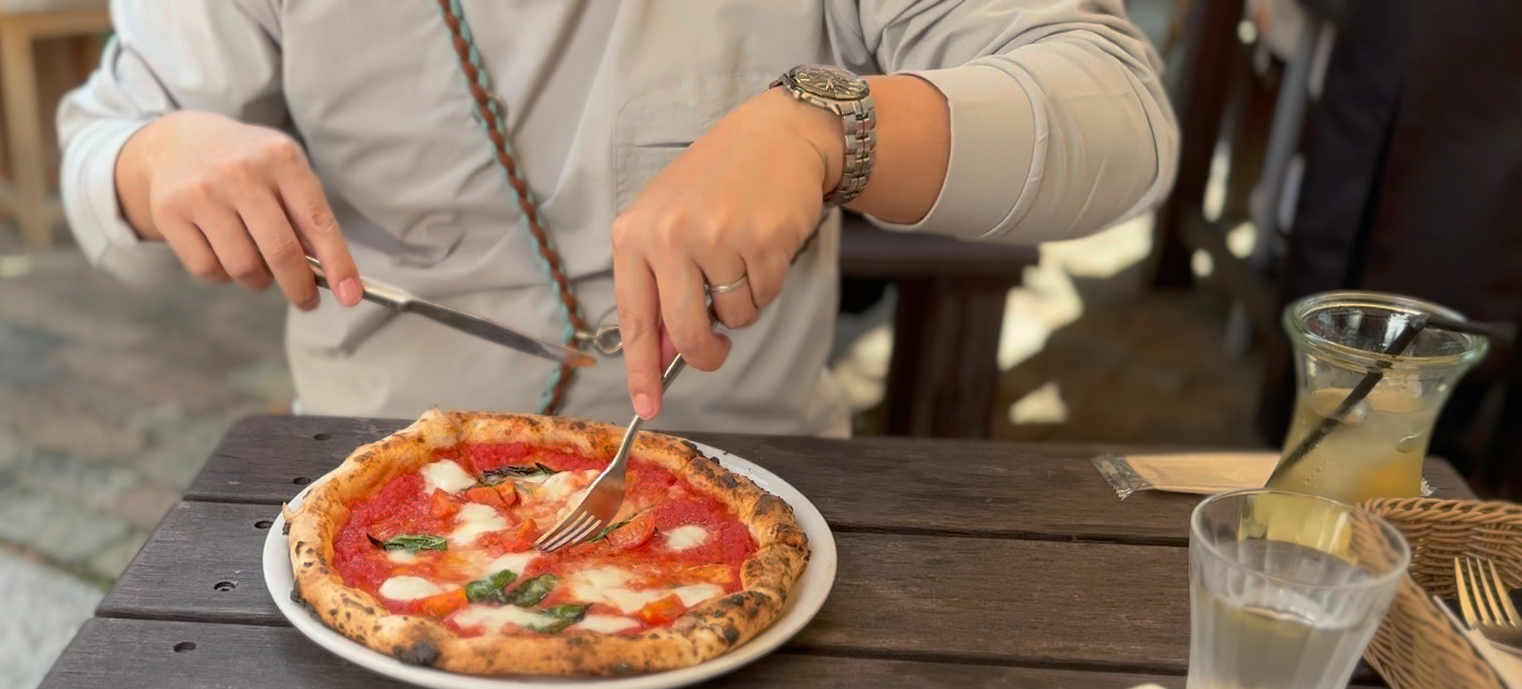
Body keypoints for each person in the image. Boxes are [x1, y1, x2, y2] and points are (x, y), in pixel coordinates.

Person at [58, 0, 1176, 436]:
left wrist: (828, 125)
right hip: (379, 478)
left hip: (747, 477)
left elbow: (1120, 109)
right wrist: (156, 158)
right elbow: (105, 142)